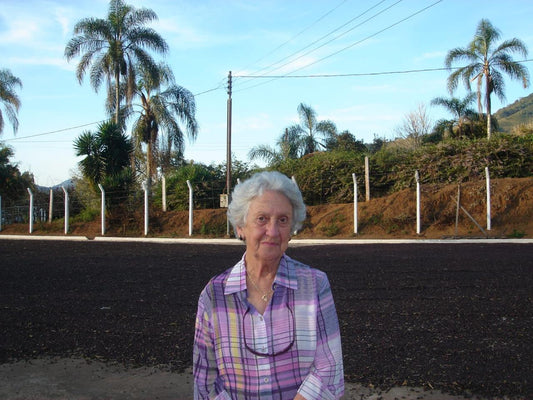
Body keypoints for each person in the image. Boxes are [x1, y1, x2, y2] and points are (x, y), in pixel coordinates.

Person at [193, 171, 344, 399]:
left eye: (282, 220)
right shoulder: (214, 295)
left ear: (291, 229)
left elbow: (328, 369)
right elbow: (205, 382)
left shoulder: (315, 285)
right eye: (261, 219)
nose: (272, 232)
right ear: (240, 227)